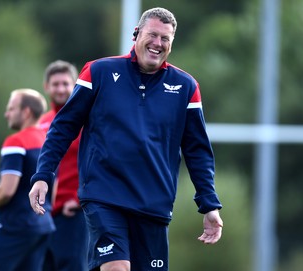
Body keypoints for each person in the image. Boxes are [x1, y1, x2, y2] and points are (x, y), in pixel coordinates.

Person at [29, 7, 223, 271]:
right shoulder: (98, 72)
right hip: (104, 196)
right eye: (152, 35)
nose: (157, 43)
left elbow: (197, 151)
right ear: (136, 34)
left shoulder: (186, 87)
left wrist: (209, 204)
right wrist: (43, 174)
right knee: (117, 267)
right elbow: (63, 127)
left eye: (165, 39)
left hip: (154, 205)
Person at [0, 89, 55, 271]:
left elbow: (6, 190)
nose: (6, 114)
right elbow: (53, 188)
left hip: (14, 227)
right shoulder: (48, 142)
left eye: (11, 109)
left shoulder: (15, 142)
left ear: (26, 112)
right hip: (42, 226)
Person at [40, 60, 89, 271]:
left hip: (72, 213)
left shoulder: (86, 121)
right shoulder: (40, 123)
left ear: (74, 85)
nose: (60, 89)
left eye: (65, 84)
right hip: (42, 216)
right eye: (56, 84)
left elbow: (99, 162)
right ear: (47, 87)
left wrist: (80, 199)